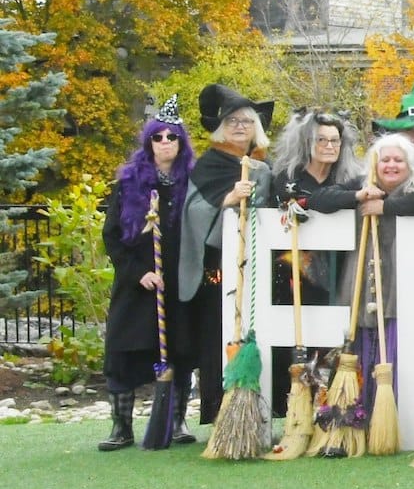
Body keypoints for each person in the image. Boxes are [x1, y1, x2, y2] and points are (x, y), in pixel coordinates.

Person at [178, 84, 275, 432]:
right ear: (221, 126)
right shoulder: (210, 165)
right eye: (232, 120)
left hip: (260, 270)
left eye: (246, 121)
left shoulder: (265, 167)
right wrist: (228, 199)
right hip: (218, 273)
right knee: (220, 338)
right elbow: (193, 210)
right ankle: (223, 413)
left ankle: (261, 408)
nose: (239, 127)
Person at [99, 97, 194, 451]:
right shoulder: (128, 185)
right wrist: (139, 272)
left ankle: (176, 420)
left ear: (181, 142)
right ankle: (121, 427)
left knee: (179, 351)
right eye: (159, 137)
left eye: (172, 136)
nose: (166, 142)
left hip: (178, 283)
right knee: (124, 350)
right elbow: (111, 237)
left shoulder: (190, 184)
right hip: (138, 285)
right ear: (149, 142)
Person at [326, 133, 414, 412]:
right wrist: (359, 196)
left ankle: (394, 413)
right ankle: (360, 411)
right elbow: (322, 198)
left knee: (397, 343)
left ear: (410, 164)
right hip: (362, 276)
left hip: (401, 282)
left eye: (398, 160)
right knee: (362, 341)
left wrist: (385, 206)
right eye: (385, 159)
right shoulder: (362, 184)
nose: (391, 165)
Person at [269, 109, 364, 311]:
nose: (329, 146)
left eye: (335, 140)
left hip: (339, 269)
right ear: (308, 142)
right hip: (293, 272)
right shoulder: (287, 179)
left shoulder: (348, 180)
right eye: (321, 140)